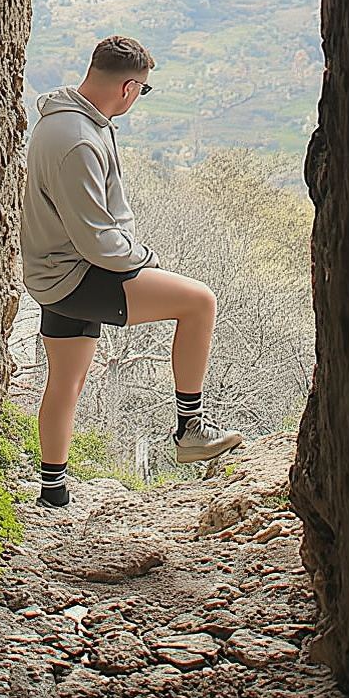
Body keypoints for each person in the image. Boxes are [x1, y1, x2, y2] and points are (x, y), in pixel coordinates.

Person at [19, 34, 243, 508]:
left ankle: (52, 492)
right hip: (80, 275)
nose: (138, 99)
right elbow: (96, 241)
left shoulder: (67, 121)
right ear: (127, 87)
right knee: (198, 302)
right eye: (141, 90)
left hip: (53, 274)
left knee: (67, 380)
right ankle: (189, 429)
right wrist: (145, 261)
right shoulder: (78, 140)